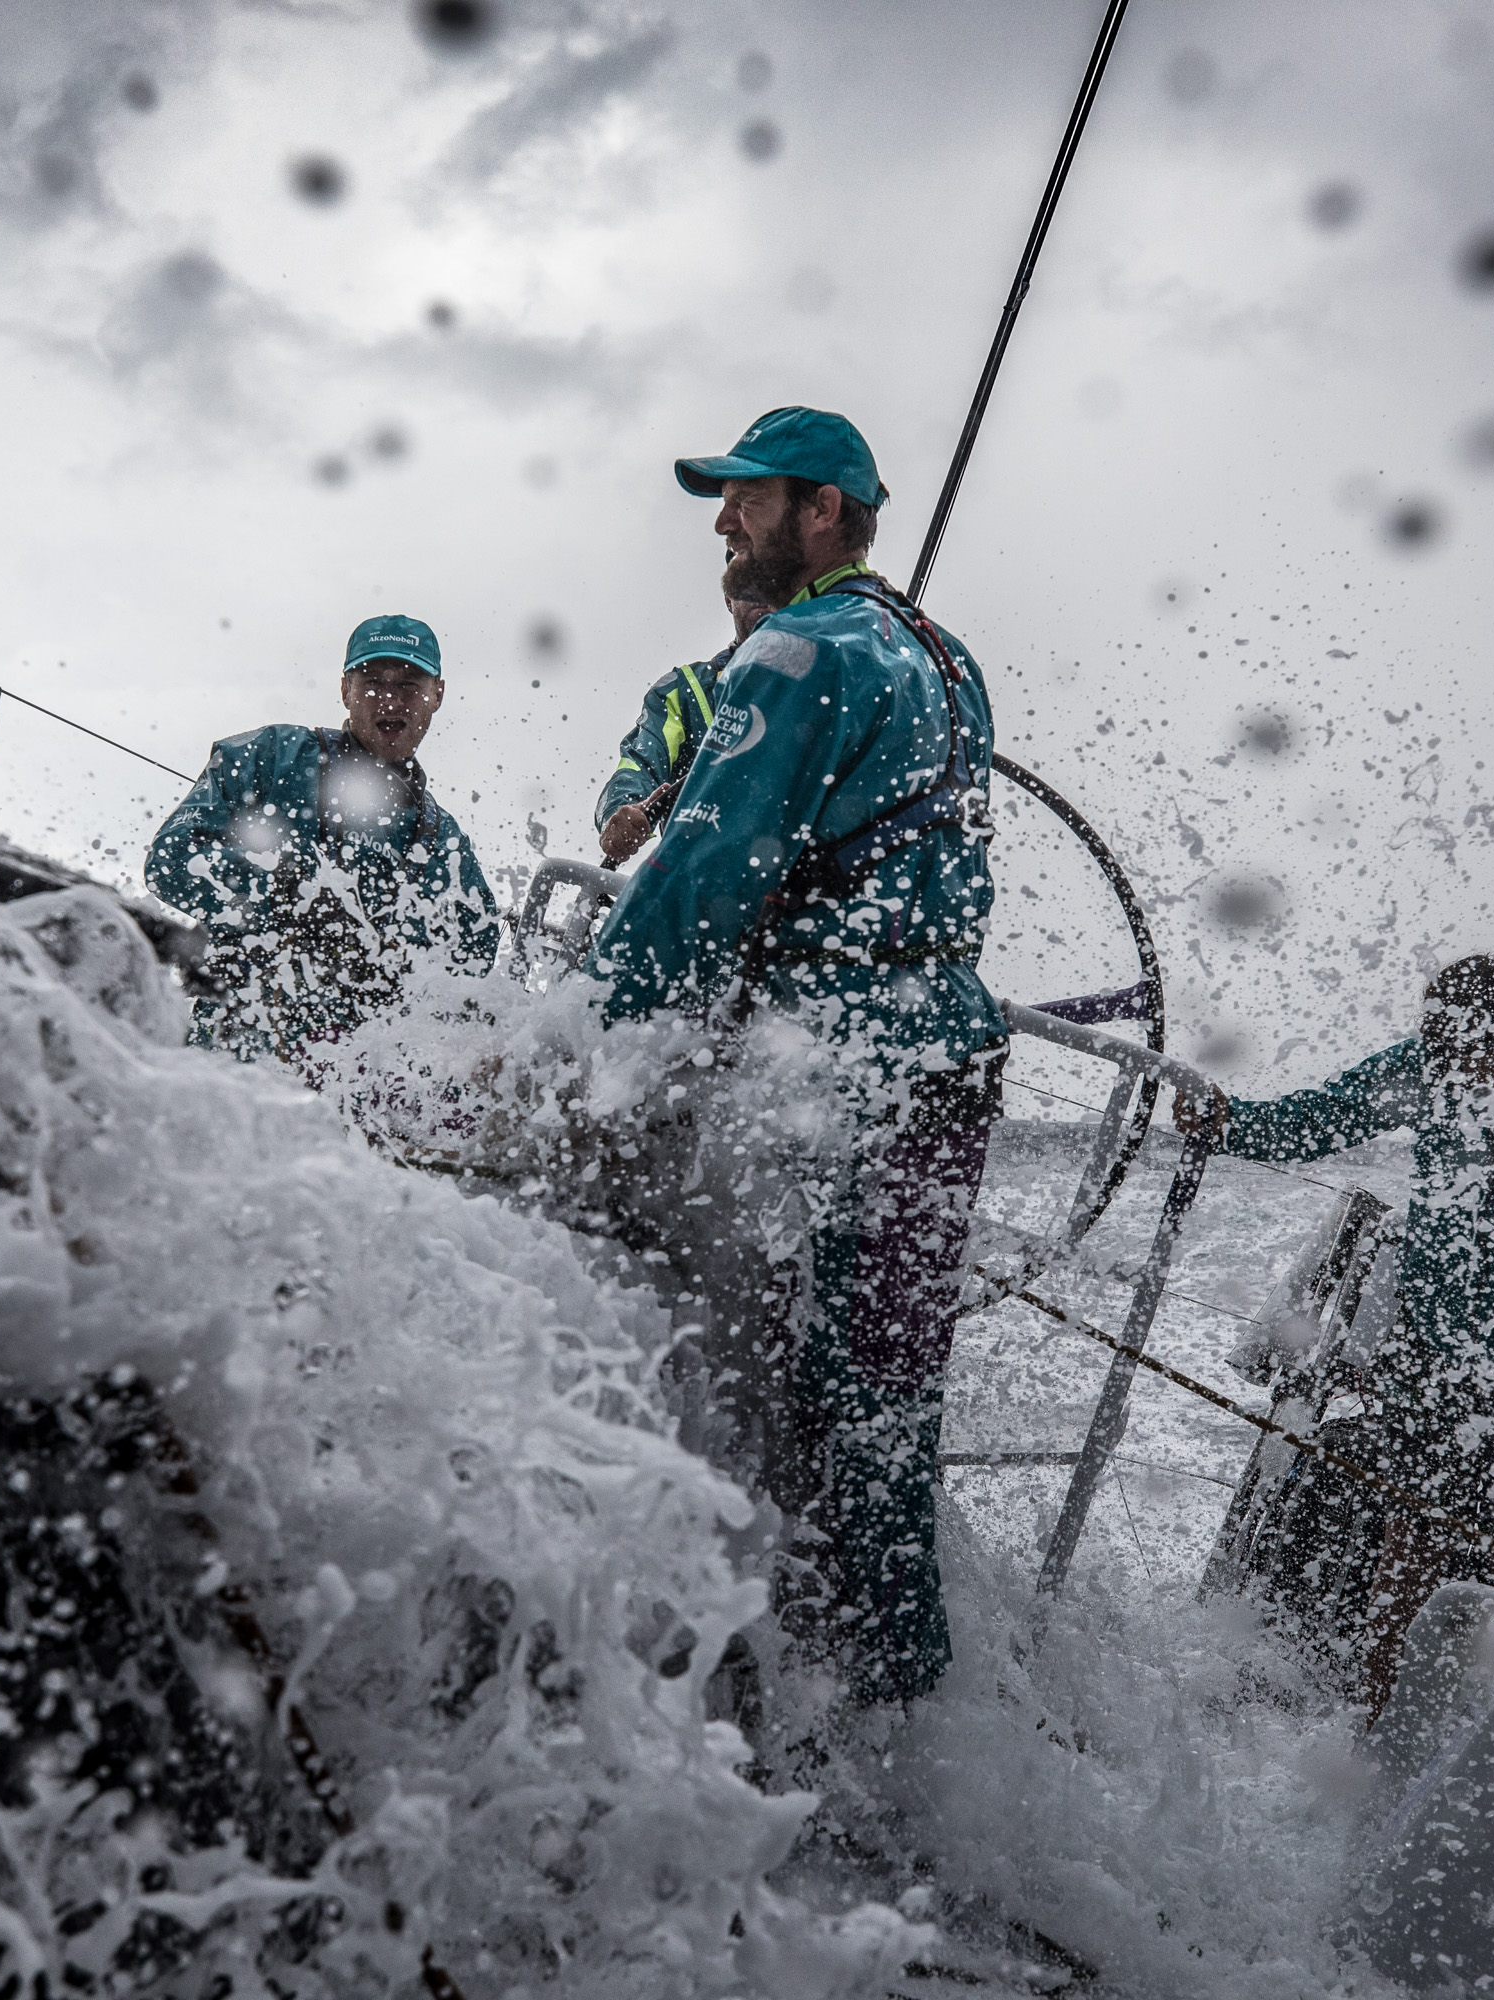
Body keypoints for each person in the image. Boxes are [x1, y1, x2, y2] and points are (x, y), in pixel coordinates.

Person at [590, 406, 1004, 1710]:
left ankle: (749, 1703)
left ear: (821, 510)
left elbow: (699, 879)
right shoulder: (950, 661)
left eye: (746, 498)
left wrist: (573, 1061)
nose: (722, 520)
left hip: (832, 1075)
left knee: (775, 1377)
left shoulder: (798, 647)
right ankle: (889, 1711)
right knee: (880, 1399)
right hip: (945, 1066)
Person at [1175, 953, 1494, 1711]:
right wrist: (1229, 1123)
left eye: (1480, 1053)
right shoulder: (1434, 1066)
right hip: (1436, 1358)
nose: (1465, 1071)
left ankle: (1487, 1721)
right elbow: (1325, 1115)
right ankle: (1381, 1711)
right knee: (1412, 1539)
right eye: (1448, 1050)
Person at [146, 614, 498, 1061]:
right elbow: (171, 858)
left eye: (410, 684)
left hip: (365, 1091)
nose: (390, 699)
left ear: (437, 695)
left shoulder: (444, 840)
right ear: (345, 690)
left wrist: (399, 966)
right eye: (371, 681)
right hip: (233, 1071)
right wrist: (282, 899)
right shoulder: (271, 757)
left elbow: (476, 956)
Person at [594, 592, 764, 866]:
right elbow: (639, 765)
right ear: (729, 598)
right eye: (750, 579)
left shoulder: (835, 672)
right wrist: (621, 809)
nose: (764, 590)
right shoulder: (684, 693)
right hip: (704, 880)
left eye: (776, 574)